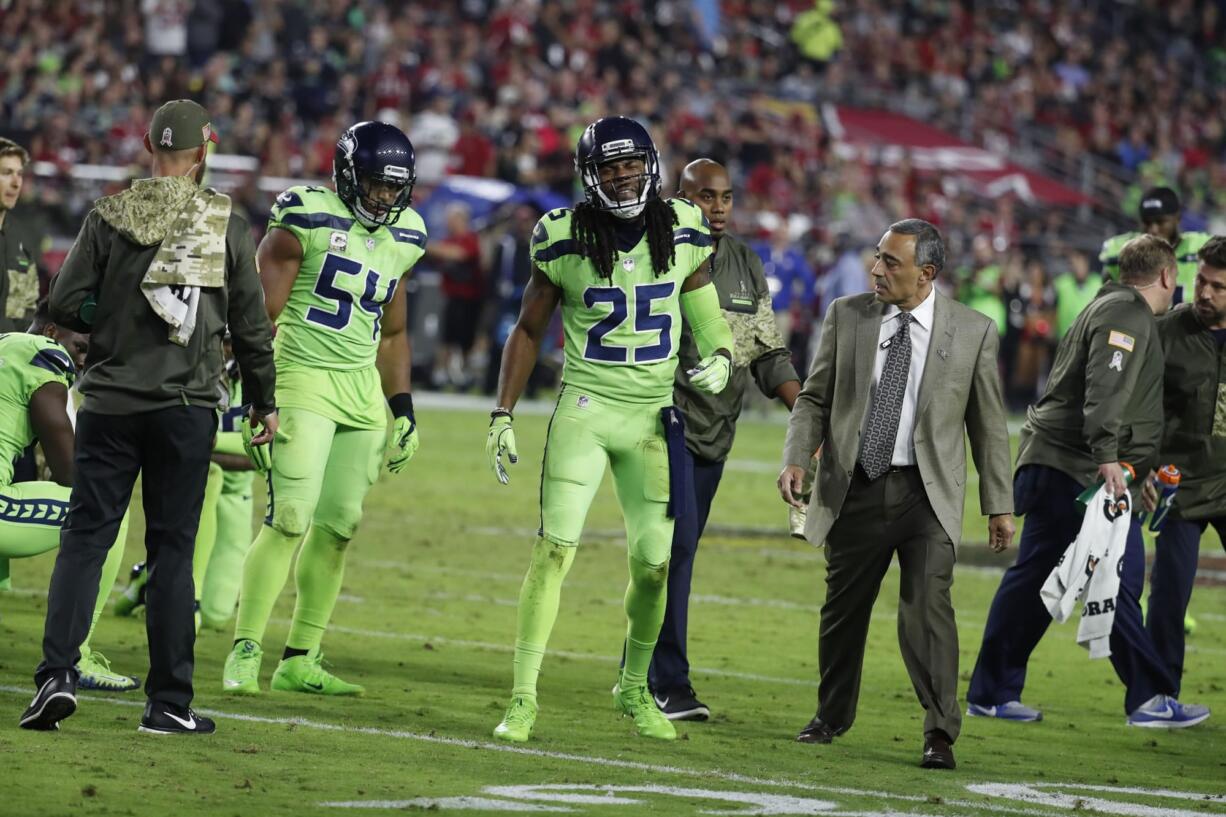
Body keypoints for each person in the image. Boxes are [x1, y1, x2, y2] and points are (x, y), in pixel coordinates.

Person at [22, 99, 277, 735]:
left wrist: (108, 321)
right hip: (185, 408)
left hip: (109, 403)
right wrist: (264, 403)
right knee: (171, 552)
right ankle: (168, 704)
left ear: (146, 144)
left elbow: (64, 301)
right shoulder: (227, 224)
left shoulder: (110, 216)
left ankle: (56, 675)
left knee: (86, 539)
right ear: (205, 150)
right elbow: (251, 326)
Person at [485, 116, 734, 743]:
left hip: (652, 417)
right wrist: (502, 412)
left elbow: (705, 311)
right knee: (555, 549)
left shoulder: (683, 228)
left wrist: (723, 356)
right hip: (587, 411)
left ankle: (633, 687)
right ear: (589, 175)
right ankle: (522, 698)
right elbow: (527, 329)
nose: (623, 177)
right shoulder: (562, 236)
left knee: (655, 563)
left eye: (631, 165)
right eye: (610, 168)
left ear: (650, 165)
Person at [778, 218, 1014, 770]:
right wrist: (796, 457)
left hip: (926, 495)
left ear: (926, 274)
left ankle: (940, 732)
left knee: (927, 609)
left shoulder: (974, 330)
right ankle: (831, 716)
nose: (876, 269)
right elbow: (813, 399)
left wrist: (998, 504)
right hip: (856, 486)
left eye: (891, 262)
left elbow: (989, 426)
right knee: (843, 611)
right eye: (878, 257)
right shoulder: (847, 315)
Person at [967, 234, 1210, 729]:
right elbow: (1106, 389)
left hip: (1063, 464)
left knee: (1036, 578)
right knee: (1115, 576)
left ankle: (991, 691)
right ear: (1167, 275)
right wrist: (1108, 459)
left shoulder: (1110, 304)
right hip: (1077, 470)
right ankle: (1148, 697)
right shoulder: (1129, 316)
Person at [223, 120, 426, 697]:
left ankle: (300, 657)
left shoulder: (408, 234)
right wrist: (257, 397)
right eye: (376, 185)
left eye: (395, 187)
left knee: (340, 527)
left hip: (361, 390)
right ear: (345, 175)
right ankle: (246, 647)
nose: (386, 197)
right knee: (288, 518)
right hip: (301, 378)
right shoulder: (303, 215)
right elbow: (259, 314)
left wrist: (403, 407)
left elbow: (393, 333)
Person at [638, 158, 800, 721]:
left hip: (716, 431)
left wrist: (802, 415)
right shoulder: (649, 250)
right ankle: (668, 681)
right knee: (675, 551)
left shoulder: (745, 263)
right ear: (675, 198)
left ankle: (638, 666)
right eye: (706, 196)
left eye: (726, 197)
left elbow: (766, 350)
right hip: (661, 422)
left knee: (676, 553)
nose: (719, 208)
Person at [0, 301, 139, 692]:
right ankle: (79, 654)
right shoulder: (44, 354)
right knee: (106, 507)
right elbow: (68, 471)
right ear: (51, 333)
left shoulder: (5, 346)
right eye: (80, 348)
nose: (80, 363)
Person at [1142, 235, 1226, 697]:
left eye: (1218, 287)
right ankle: (1158, 695)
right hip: (1182, 486)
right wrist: (1147, 464)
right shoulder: (1166, 332)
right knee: (1170, 597)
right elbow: (1138, 405)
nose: (1205, 294)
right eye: (1201, 282)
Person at [1099, 187, 1210, 305]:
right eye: (1147, 222)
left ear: (1177, 218)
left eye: (1160, 221)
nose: (1153, 229)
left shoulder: (1202, 247)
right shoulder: (1121, 250)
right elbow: (1106, 302)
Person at [428, 203, 484, 389]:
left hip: (469, 298)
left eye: (452, 219)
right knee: (446, 337)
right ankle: (441, 374)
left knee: (466, 339)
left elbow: (460, 255)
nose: (449, 223)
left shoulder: (470, 239)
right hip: (451, 296)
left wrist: (423, 243)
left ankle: (466, 374)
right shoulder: (448, 240)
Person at [0, 137, 46, 333]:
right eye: (6, 173)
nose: (16, 183)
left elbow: (27, 306)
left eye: (20, 174)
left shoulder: (22, 241)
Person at [1052, 250, 1098, 339]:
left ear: (1087, 264)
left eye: (1081, 263)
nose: (1078, 267)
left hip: (1089, 340)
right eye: (1075, 263)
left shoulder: (1098, 283)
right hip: (1065, 340)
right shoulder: (1061, 284)